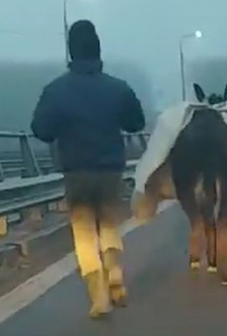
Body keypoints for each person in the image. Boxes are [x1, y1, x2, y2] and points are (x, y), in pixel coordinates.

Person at [31, 20, 145, 319]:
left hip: (76, 171)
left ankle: (98, 296)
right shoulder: (117, 88)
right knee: (108, 222)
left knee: (83, 231)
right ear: (97, 49)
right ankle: (115, 270)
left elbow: (41, 130)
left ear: (71, 51)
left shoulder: (55, 90)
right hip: (109, 170)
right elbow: (136, 123)